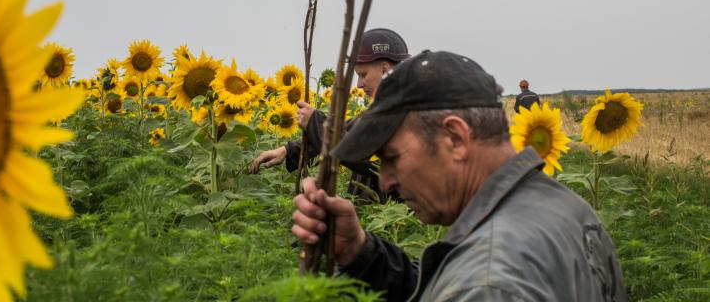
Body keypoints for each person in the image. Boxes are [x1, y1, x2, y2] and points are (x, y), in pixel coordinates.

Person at [291, 50, 628, 302]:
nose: (385, 181)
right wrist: (361, 253)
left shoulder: (489, 282)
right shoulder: (564, 209)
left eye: (391, 158)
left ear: (454, 137)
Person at [249, 28, 410, 203]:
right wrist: (289, 151)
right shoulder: (385, 108)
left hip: (400, 225)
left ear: (385, 70)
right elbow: (350, 130)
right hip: (376, 222)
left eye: (363, 75)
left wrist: (314, 122)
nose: (359, 84)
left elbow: (363, 152)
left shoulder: (409, 111)